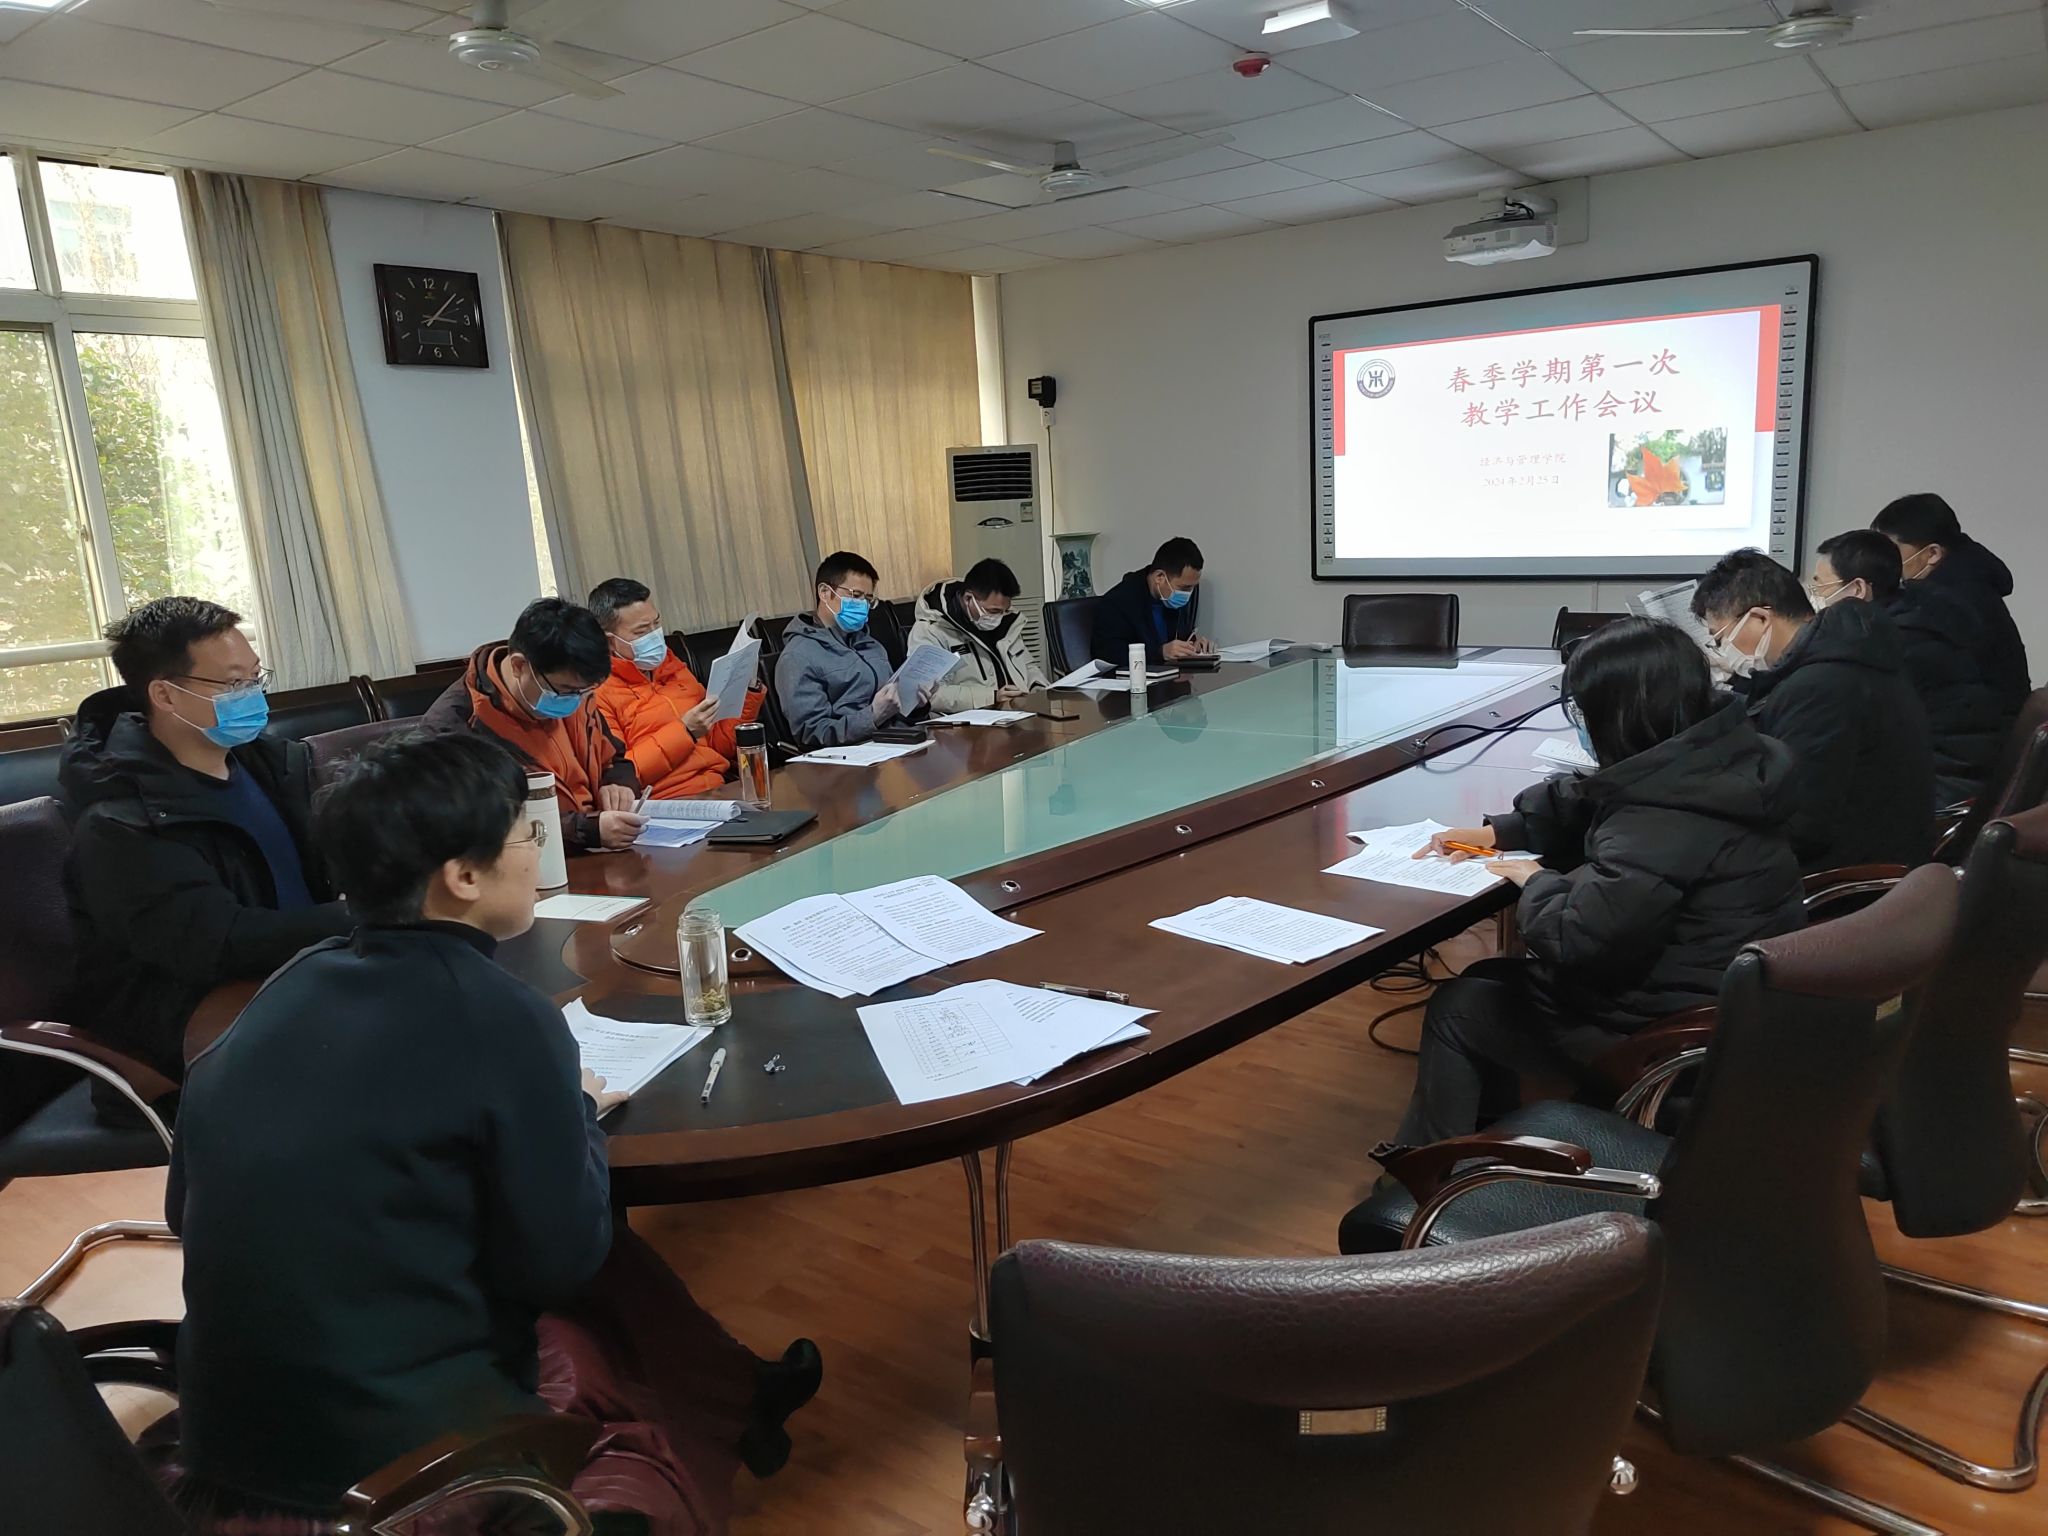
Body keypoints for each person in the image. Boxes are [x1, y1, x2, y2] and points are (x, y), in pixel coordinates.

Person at [160, 730, 821, 1532]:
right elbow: (562, 1261)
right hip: (388, 1463)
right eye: (525, 835)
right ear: (463, 876)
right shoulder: (500, 1016)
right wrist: (575, 1110)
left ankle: (742, 1395)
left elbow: (181, 1209)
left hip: (227, 1429)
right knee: (593, 1271)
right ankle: (728, 1409)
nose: (537, 853)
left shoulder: (289, 984)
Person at [1389, 618, 1805, 1146]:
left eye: (1584, 713)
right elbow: (1597, 795)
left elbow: (1574, 938)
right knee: (1489, 977)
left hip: (1665, 1037)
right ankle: (1492, 1142)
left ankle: (1427, 1168)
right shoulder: (1718, 760)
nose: (1581, 727)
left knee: (1461, 1007)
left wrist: (1536, 880)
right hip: (1724, 1005)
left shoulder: (1661, 819)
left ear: (1619, 715)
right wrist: (1502, 832)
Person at [59, 596, 351, 1080]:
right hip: (202, 1023)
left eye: (256, 678)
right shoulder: (120, 822)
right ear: (166, 695)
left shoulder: (271, 766)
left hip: (302, 975)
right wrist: (360, 916)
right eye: (234, 684)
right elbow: (217, 944)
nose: (253, 697)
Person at [1692, 548, 1934, 871]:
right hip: (1879, 852)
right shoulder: (1846, 655)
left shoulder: (1819, 687)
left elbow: (1801, 824)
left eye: (1720, 638)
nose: (1722, 650)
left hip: (1849, 875)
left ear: (1760, 618)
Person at [423, 596, 644, 850]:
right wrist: (587, 830)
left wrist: (619, 784)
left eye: (585, 691)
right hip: (535, 861)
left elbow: (615, 758)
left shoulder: (574, 691)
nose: (575, 701)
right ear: (519, 666)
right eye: (565, 690)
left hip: (603, 848)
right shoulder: (456, 726)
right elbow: (481, 826)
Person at [1813, 529, 2009, 807]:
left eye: (1820, 588)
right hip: (1951, 772)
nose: (1816, 599)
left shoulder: (1895, 645)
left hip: (1940, 786)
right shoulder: (1914, 617)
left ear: (1857, 590)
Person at [588, 577, 766, 799]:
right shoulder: (598, 694)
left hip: (718, 789)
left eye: (656, 624)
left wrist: (748, 691)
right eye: (642, 631)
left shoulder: (673, 667)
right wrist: (685, 732)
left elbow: (719, 745)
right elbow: (622, 774)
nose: (654, 635)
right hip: (666, 801)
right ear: (610, 641)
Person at [1872, 492, 2031, 712]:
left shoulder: (1948, 600)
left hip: (1979, 723)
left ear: (1932, 553)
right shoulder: (1966, 579)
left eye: (1890, 551)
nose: (1882, 561)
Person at [776, 550, 935, 748]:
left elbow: (893, 710)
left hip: (894, 743)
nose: (863, 605)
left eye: (868, 599)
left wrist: (915, 705)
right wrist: (873, 716)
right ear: (825, 592)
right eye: (856, 596)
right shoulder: (798, 656)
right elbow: (812, 734)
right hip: (850, 756)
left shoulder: (871, 645)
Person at [907, 557, 1050, 714]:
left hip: (1016, 712)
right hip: (967, 721)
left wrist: (1041, 691)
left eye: (1005, 610)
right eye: (994, 611)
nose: (999, 617)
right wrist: (992, 697)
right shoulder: (930, 630)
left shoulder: (1007, 621)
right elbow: (928, 694)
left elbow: (1027, 666)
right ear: (968, 599)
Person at [1091, 536, 1213, 666]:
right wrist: (1160, 652)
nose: (1188, 594)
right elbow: (1107, 653)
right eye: (1184, 588)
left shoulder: (1171, 598)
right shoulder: (1118, 602)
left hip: (1172, 674)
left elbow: (1180, 638)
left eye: (1193, 587)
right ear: (1159, 577)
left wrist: (1193, 646)